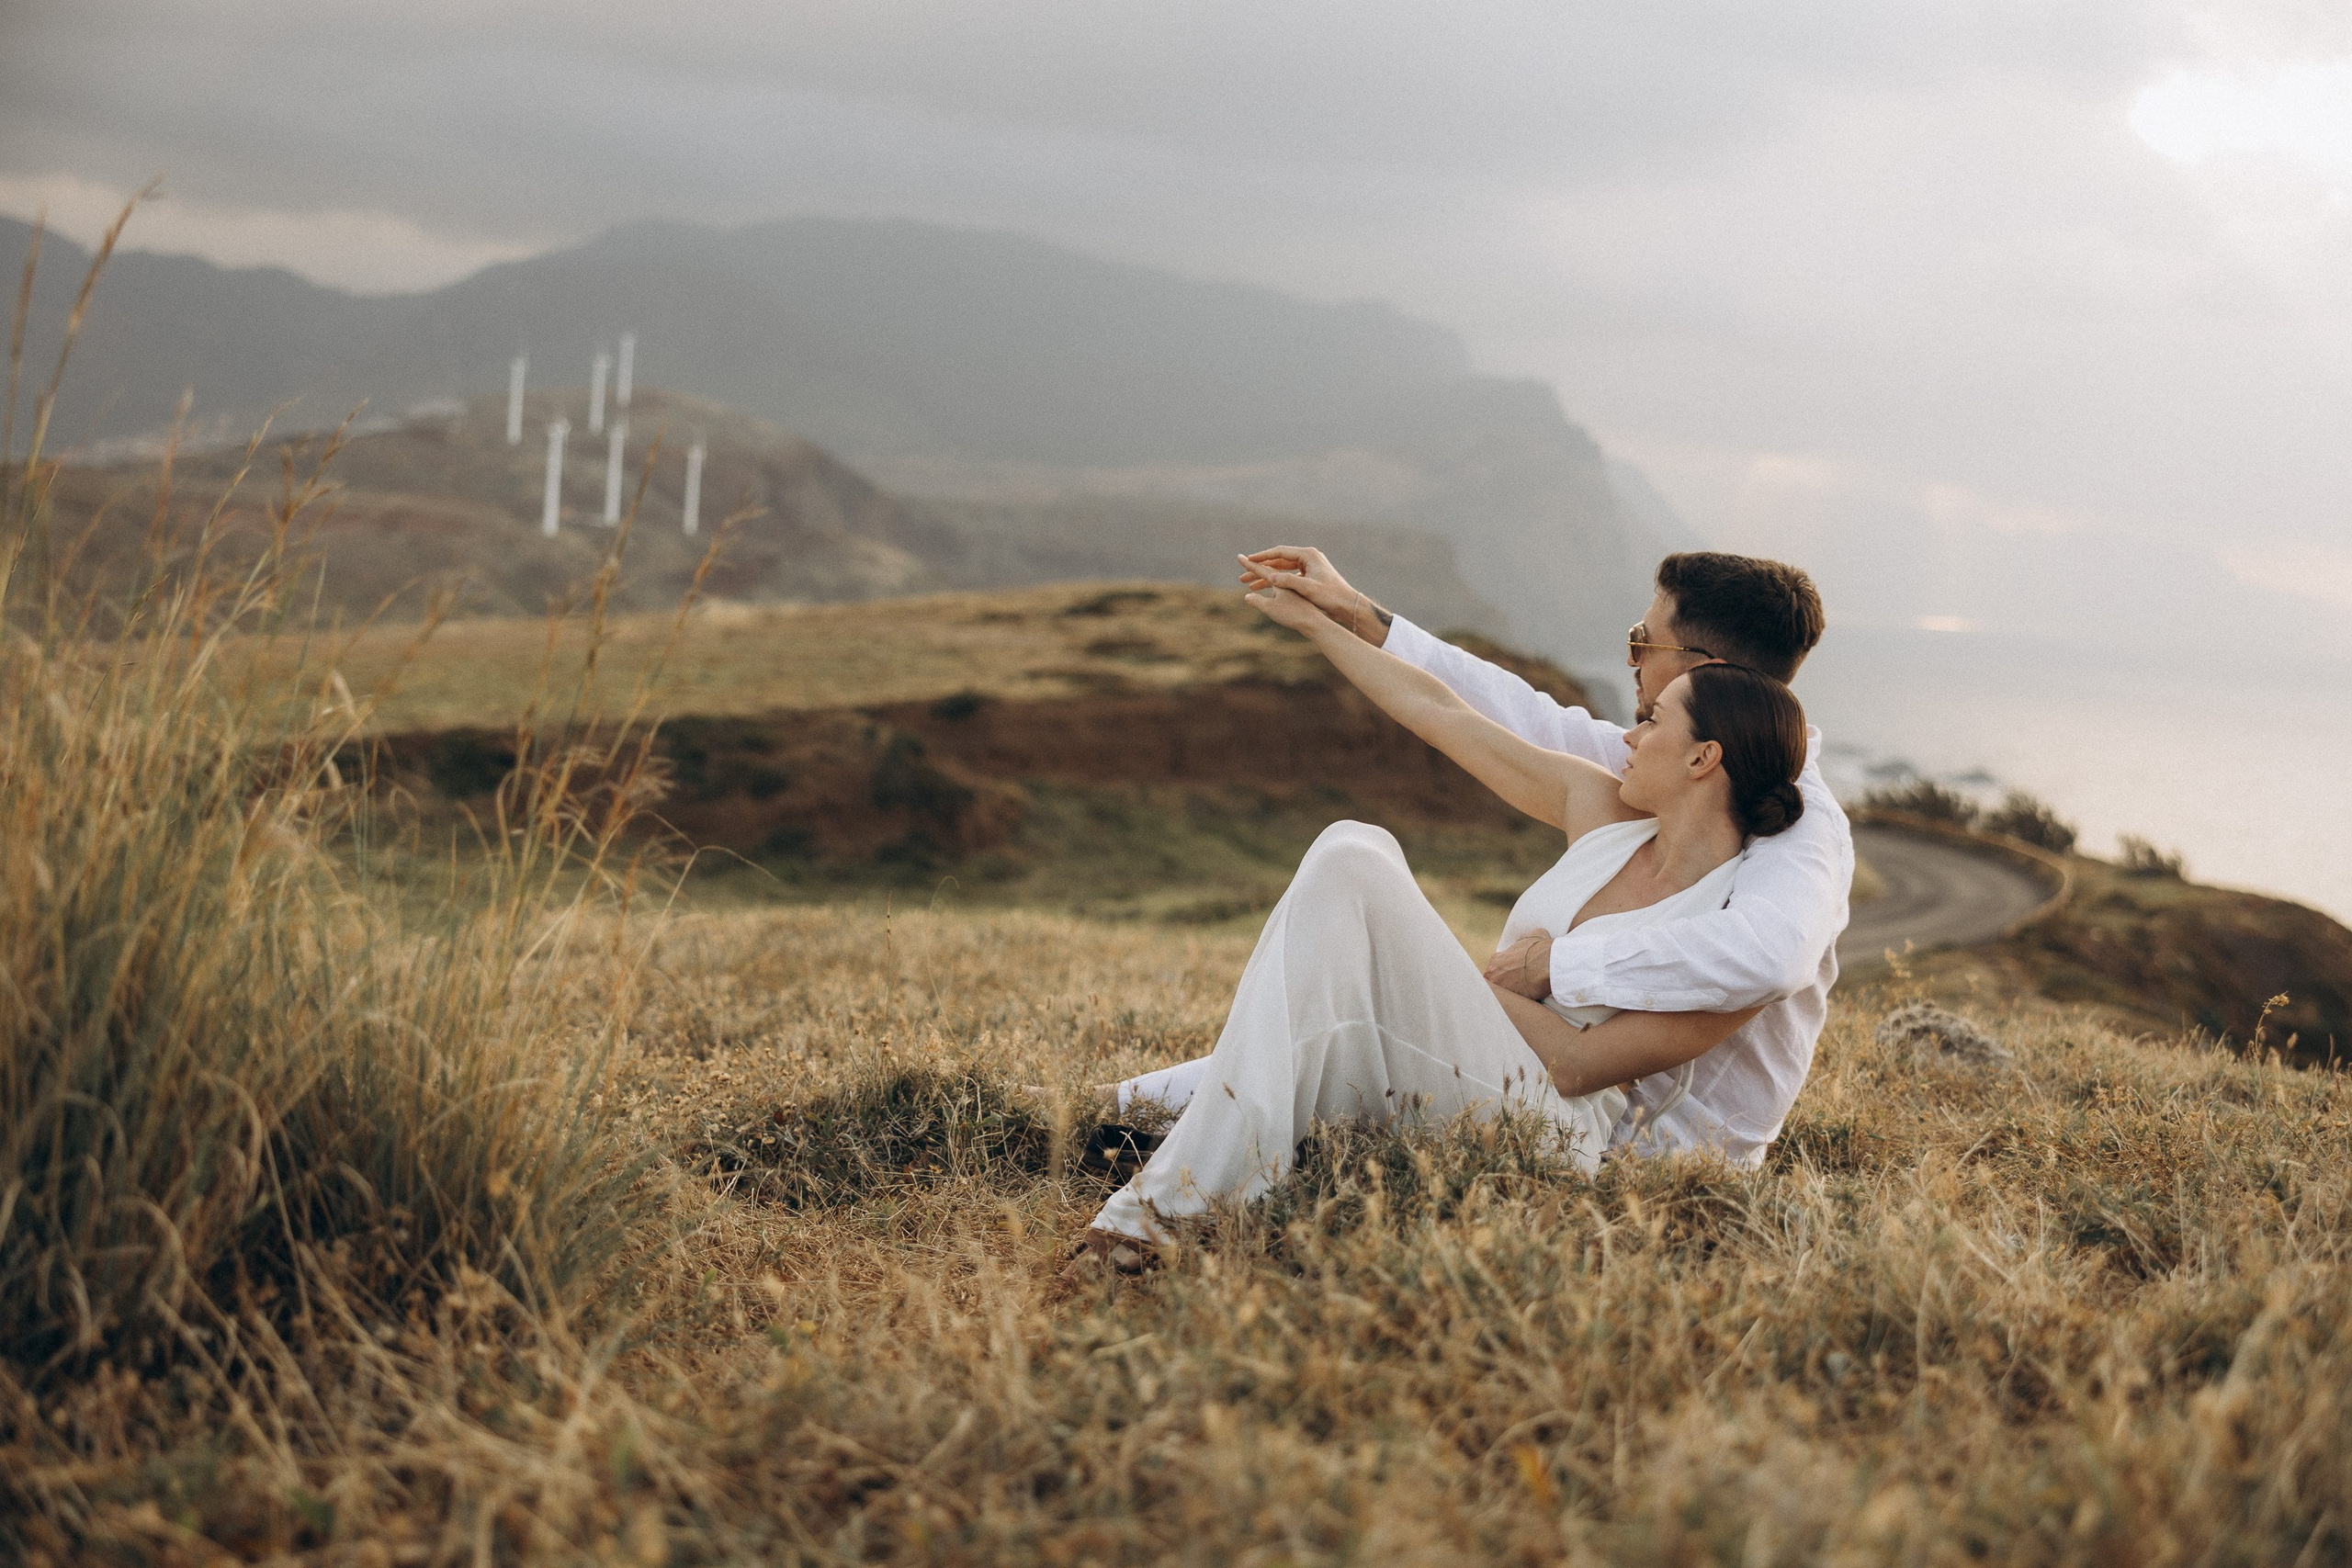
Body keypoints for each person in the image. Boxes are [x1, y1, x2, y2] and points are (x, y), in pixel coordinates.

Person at [1072, 550, 1848, 1274]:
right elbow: (1461, 711)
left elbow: (1749, 970)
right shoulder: (1618, 797)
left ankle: (1160, 1208)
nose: (1631, 689)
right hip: (1492, 1070)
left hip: (1613, 1151)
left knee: (1353, 877)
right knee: (1355, 871)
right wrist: (1337, 620)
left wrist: (1536, 967)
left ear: (1702, 743)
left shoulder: (1785, 859)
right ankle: (1128, 1122)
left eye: (1646, 644)